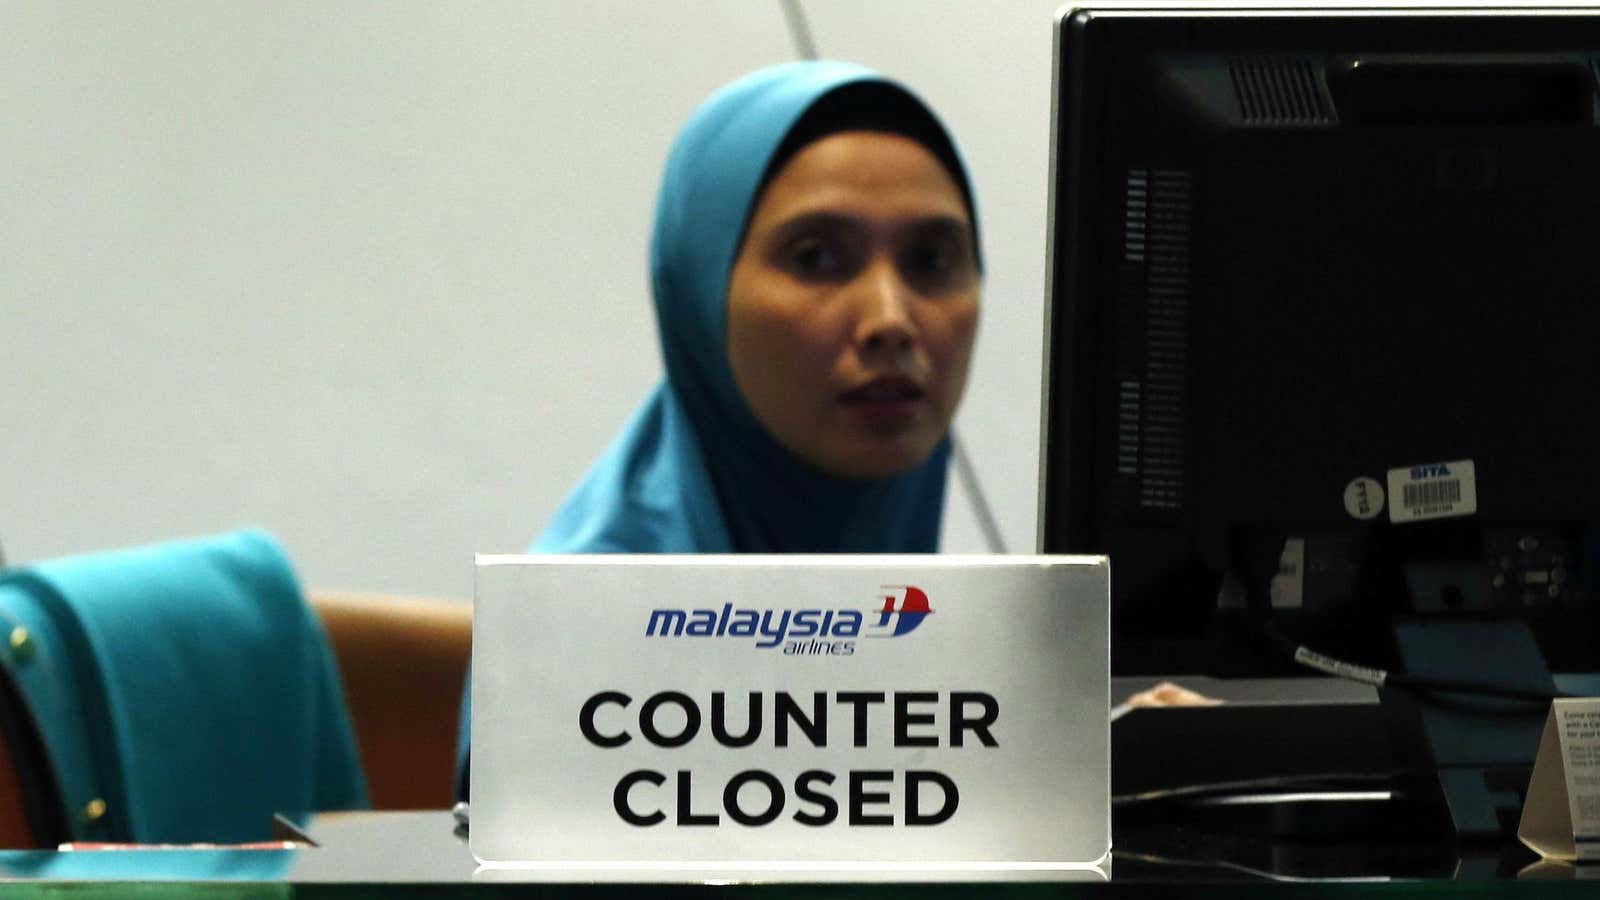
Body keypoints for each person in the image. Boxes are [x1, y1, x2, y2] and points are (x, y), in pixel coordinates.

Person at [456, 60, 982, 799]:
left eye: (932, 260)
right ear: (700, 295)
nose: (892, 319)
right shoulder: (576, 650)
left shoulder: (954, 625)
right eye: (817, 258)